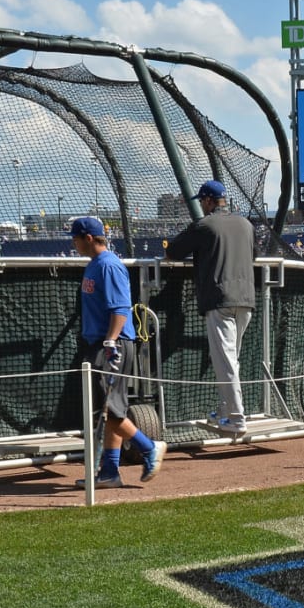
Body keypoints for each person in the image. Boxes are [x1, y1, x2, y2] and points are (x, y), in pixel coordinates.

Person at [70, 216, 165, 488]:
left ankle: (149, 447)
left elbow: (121, 309)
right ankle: (110, 471)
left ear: (88, 238)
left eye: (76, 238)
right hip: (101, 343)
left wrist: (111, 341)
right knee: (110, 410)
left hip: (112, 345)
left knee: (108, 410)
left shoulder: (109, 265)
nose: (74, 243)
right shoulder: (95, 265)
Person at [165, 179, 256, 435]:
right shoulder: (246, 224)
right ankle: (226, 411)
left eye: (202, 201)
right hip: (246, 299)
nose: (202, 206)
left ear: (207, 200)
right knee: (232, 361)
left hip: (220, 300)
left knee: (226, 362)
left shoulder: (204, 225)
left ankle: (237, 419)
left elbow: (172, 252)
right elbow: (254, 256)